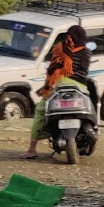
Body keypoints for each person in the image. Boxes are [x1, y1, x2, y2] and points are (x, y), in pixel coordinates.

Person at [25, 30, 75, 159]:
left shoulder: (60, 53)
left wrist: (46, 88)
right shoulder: (83, 52)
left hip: (57, 90)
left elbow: (53, 76)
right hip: (78, 91)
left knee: (40, 112)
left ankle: (32, 148)